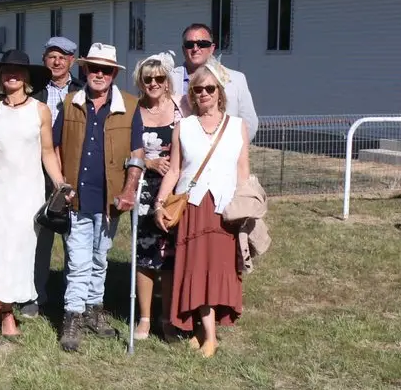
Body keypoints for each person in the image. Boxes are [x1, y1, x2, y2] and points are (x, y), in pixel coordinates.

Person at [52, 43, 144, 352]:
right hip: (76, 199)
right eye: (94, 68)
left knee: (99, 258)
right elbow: (53, 146)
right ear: (85, 70)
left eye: (106, 70)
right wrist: (61, 184)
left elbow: (136, 154)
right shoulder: (69, 103)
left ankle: (94, 309)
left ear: (114, 74)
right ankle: (73, 316)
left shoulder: (130, 106)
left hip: (110, 201)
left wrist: (130, 189)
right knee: (78, 262)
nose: (99, 74)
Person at [156, 61, 251, 357]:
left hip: (224, 210)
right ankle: (206, 333)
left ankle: (206, 332)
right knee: (196, 269)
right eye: (197, 89)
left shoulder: (237, 127)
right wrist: (160, 203)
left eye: (210, 88)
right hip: (194, 208)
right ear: (192, 95)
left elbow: (243, 172)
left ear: (219, 92)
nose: (204, 93)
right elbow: (173, 171)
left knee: (218, 269)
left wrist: (246, 211)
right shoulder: (183, 127)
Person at [0, 50, 66, 345]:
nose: (11, 76)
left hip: (29, 192)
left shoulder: (41, 111)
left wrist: (61, 184)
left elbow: (48, 152)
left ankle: (7, 315)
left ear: (27, 78)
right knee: (1, 255)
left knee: (21, 255)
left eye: (17, 71)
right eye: (6, 72)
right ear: (0, 78)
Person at [25, 36, 84, 318]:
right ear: (44, 60)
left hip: (75, 171)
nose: (57, 61)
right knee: (40, 238)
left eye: (63, 57)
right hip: (41, 174)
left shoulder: (83, 92)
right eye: (51, 56)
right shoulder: (34, 93)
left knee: (76, 240)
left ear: (72, 60)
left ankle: (76, 299)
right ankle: (36, 295)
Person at [130, 52, 182, 340]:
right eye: (147, 78)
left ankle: (168, 316)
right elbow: (123, 150)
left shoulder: (180, 109)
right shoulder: (132, 111)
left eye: (159, 78)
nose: (153, 83)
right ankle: (146, 318)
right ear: (140, 81)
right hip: (143, 189)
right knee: (145, 254)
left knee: (171, 255)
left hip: (174, 190)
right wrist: (147, 163)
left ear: (167, 81)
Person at [173, 24, 259, 141]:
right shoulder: (167, 80)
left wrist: (233, 151)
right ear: (183, 49)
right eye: (189, 44)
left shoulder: (235, 79)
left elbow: (249, 123)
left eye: (202, 44)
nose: (195, 49)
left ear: (212, 48)